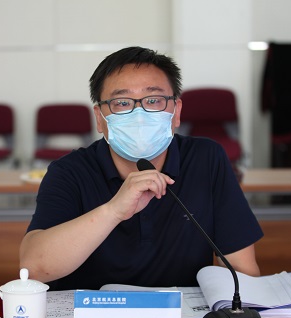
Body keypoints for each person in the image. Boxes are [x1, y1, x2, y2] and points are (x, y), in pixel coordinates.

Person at [20, 46, 263, 290]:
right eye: (122, 102)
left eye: (154, 100)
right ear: (99, 118)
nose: (139, 114)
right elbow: (33, 268)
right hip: (92, 312)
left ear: (176, 112)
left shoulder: (206, 158)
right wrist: (114, 211)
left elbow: (242, 270)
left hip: (182, 312)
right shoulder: (69, 171)